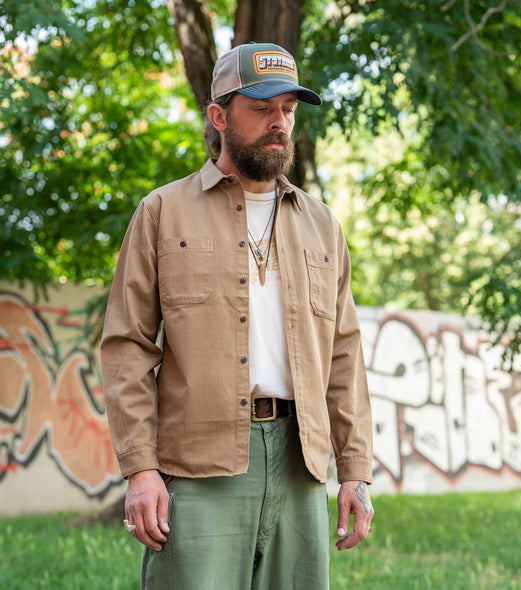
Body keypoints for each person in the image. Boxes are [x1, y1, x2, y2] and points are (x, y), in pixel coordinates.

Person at [101, 41, 373, 590]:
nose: (279, 122)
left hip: (301, 462)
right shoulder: (162, 212)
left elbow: (344, 355)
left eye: (289, 110)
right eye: (263, 107)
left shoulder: (322, 225)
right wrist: (141, 468)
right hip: (199, 465)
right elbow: (127, 346)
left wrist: (356, 471)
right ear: (219, 115)